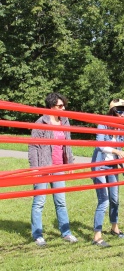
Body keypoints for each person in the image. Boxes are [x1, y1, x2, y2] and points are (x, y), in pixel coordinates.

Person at [91, 98, 124, 247]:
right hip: (100, 166)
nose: (123, 114)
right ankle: (97, 236)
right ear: (112, 112)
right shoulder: (103, 123)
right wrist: (117, 151)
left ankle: (114, 228)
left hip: (113, 167)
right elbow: (100, 144)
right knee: (104, 200)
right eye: (119, 111)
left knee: (114, 199)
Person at [29, 92, 78, 247]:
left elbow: (67, 143)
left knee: (61, 201)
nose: (63, 108)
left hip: (58, 167)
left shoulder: (65, 121)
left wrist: (69, 163)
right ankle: (37, 234)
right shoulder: (41, 122)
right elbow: (33, 147)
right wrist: (35, 169)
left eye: (64, 105)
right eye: (60, 105)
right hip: (43, 167)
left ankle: (66, 233)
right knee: (39, 202)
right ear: (51, 106)